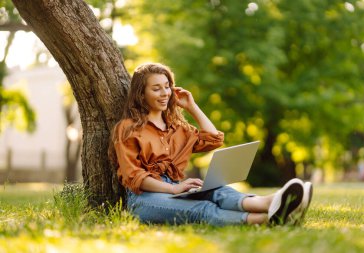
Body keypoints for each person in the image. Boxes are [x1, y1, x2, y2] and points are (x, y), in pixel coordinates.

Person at [108, 62, 313, 226]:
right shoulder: (128, 128)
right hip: (144, 199)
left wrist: (192, 107)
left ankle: (271, 202)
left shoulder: (178, 127)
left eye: (167, 87)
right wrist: (173, 190)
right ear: (141, 94)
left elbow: (213, 139)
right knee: (203, 208)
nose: (165, 93)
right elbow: (134, 176)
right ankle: (269, 219)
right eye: (156, 89)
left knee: (217, 190)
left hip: (175, 187)